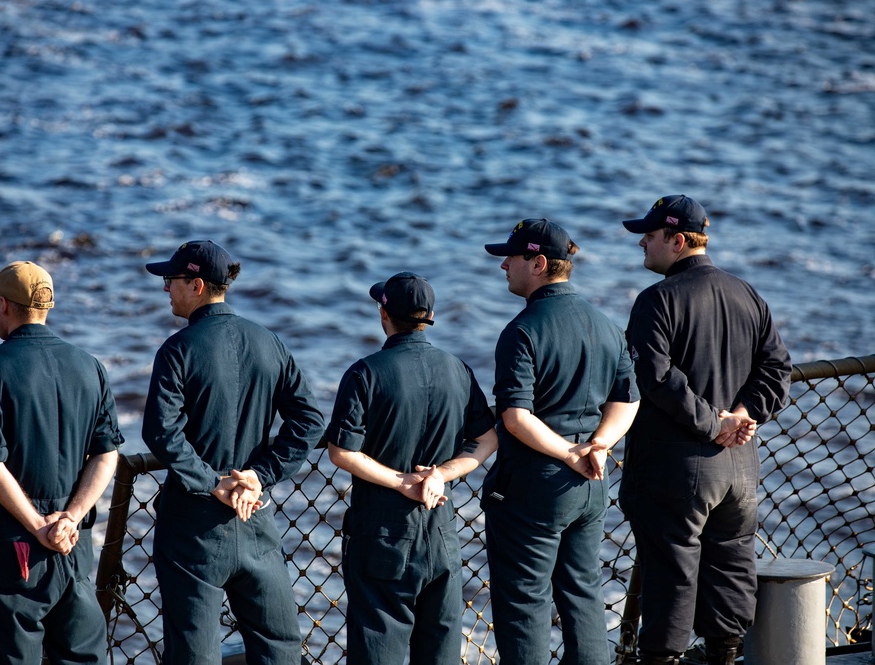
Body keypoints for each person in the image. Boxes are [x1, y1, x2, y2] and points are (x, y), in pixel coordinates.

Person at [618, 195, 792, 665]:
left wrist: (714, 423)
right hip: (740, 468)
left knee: (672, 573)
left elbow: (656, 377)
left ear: (677, 241)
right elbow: (778, 371)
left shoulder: (656, 300)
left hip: (679, 468)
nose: (642, 243)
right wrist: (740, 415)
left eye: (650, 236)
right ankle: (727, 656)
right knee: (732, 567)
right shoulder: (747, 293)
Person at [142, 240, 325, 665]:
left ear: (198, 284)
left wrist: (213, 484)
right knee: (279, 647)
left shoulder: (178, 349)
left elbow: (161, 432)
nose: (166, 289)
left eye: (171, 281)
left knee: (194, 653)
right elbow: (310, 421)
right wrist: (260, 475)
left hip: (194, 522)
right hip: (255, 512)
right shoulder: (269, 342)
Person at [482, 219, 640, 665]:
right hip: (592, 484)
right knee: (583, 593)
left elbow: (515, 417)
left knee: (524, 604)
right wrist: (599, 446)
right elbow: (627, 400)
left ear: (539, 263)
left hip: (535, 485)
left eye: (510, 259)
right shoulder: (607, 325)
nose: (504, 267)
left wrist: (570, 453)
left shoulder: (523, 331)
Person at [325, 272, 498, 665]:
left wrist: (403, 481)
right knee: (439, 652)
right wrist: (440, 474)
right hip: (441, 529)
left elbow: (341, 452)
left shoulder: (365, 372)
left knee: (377, 649)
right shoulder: (458, 369)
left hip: (383, 533)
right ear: (430, 316)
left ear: (385, 315)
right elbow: (488, 439)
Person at [0, 260, 123, 664]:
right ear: (46, 307)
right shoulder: (92, 366)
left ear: (3, 305)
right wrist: (69, 518)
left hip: (13, 555)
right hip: (73, 549)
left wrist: (38, 526)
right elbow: (107, 453)